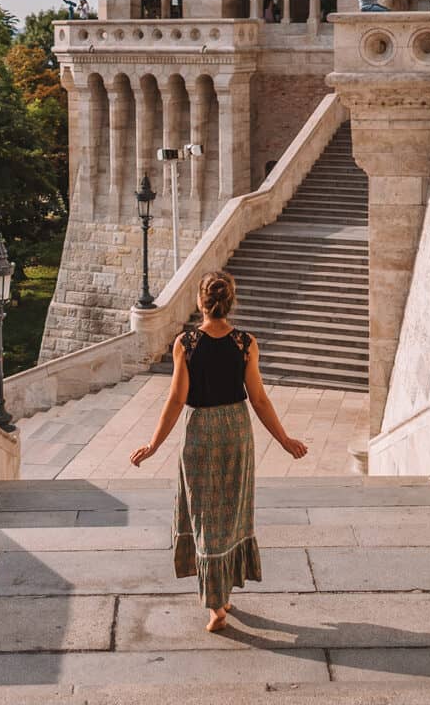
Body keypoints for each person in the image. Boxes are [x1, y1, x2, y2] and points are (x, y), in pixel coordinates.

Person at [129, 270, 309, 633]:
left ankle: (216, 606)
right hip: (237, 433)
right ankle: (221, 594)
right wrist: (285, 440)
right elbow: (258, 398)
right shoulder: (246, 342)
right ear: (229, 302)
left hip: (200, 433)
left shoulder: (186, 343)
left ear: (201, 302)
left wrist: (153, 445)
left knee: (205, 515)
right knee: (231, 514)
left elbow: (177, 399)